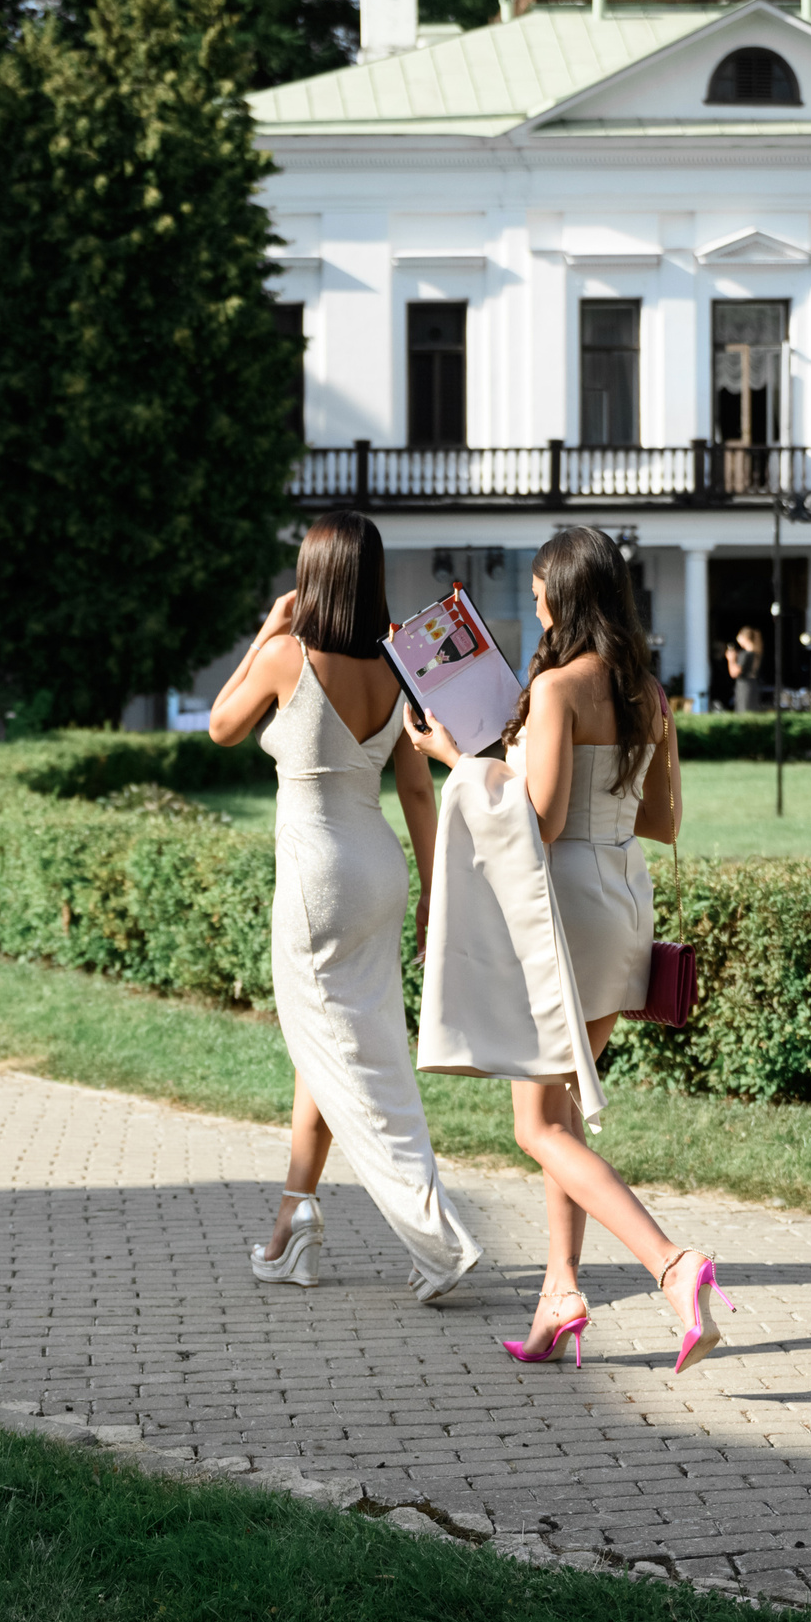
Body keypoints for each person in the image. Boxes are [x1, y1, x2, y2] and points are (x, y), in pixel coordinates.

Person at [404, 524, 729, 1371]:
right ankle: (561, 1292)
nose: (537, 599)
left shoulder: (556, 689)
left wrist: (460, 760)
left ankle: (671, 1264)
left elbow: (538, 822)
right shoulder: (650, 694)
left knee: (538, 1124)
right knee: (565, 1114)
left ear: (566, 597)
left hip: (566, 911)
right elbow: (663, 821)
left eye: (544, 587)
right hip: (626, 905)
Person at [207, 510, 483, 1303]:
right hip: (380, 870)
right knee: (333, 1048)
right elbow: (418, 794)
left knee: (353, 1063)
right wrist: (436, 892)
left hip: (316, 877)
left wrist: (264, 629)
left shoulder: (286, 655)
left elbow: (225, 726)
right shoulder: (397, 667)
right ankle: (294, 1220)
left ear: (312, 575)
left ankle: (439, 1239)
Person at [724, 626, 763, 712]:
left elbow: (734, 673)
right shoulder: (757, 653)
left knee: (743, 711)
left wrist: (731, 659)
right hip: (753, 686)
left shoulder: (745, 654)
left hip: (744, 688)